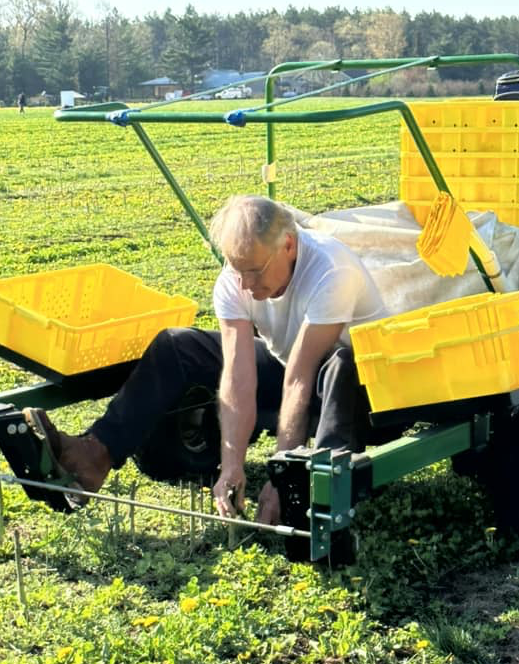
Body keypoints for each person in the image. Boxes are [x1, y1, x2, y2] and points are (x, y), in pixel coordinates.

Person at [24, 195, 387, 525]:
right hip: (288, 366)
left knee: (341, 361)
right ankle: (93, 455)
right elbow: (238, 377)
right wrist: (231, 466)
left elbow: (300, 377)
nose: (244, 285)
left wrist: (280, 475)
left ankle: (310, 492)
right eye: (236, 269)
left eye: (253, 272)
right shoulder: (237, 280)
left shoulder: (331, 271)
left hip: (357, 392)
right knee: (176, 346)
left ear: (288, 245)